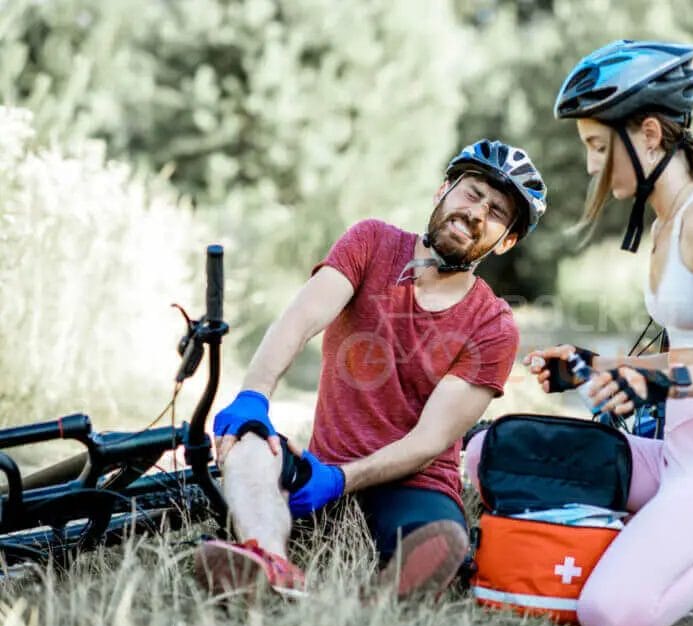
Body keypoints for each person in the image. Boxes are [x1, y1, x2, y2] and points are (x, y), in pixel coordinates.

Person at [465, 40, 693, 626]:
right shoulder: (669, 222)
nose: (591, 165)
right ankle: (654, 536)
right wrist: (600, 366)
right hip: (676, 456)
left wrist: (660, 384)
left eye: (598, 146)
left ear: (648, 134)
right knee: (484, 453)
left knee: (610, 615)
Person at [194, 139, 547, 599]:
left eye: (497, 212)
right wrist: (254, 395)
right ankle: (270, 564)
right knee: (248, 444)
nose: (478, 213)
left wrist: (341, 480)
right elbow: (301, 320)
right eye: (473, 193)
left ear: (507, 241)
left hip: (413, 484)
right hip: (321, 469)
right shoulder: (372, 242)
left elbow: (429, 442)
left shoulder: (493, 325)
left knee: (443, 540)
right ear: (443, 190)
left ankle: (375, 601)